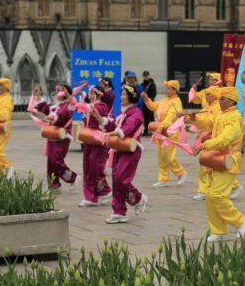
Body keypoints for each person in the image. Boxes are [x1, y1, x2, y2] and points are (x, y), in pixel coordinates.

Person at [191, 87, 245, 242]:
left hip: (228, 159)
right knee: (210, 195)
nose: (220, 101)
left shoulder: (234, 117)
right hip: (217, 158)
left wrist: (204, 145)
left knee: (217, 195)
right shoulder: (221, 115)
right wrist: (194, 119)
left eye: (222, 99)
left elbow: (225, 139)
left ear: (231, 100)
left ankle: (240, 221)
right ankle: (219, 230)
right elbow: (208, 124)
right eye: (220, 98)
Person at [105, 85, 147, 224]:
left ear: (131, 96)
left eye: (123, 94)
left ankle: (139, 198)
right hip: (119, 148)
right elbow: (112, 126)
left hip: (131, 149)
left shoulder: (136, 113)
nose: (121, 97)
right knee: (116, 179)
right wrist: (99, 118)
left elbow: (128, 128)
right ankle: (118, 212)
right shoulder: (123, 112)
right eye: (121, 94)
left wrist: (115, 132)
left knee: (121, 179)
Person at [141, 80, 187, 188]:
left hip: (171, 131)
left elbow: (170, 118)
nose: (167, 90)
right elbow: (153, 106)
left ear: (175, 90)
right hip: (161, 129)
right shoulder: (165, 100)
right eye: (167, 88)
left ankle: (180, 173)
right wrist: (146, 98)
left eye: (169, 88)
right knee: (161, 156)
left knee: (168, 156)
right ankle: (163, 178)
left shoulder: (177, 102)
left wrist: (160, 127)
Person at [78, 86, 113, 207]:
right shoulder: (90, 107)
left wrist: (95, 113)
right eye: (90, 93)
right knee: (87, 167)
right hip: (89, 140)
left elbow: (102, 120)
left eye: (92, 93)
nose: (90, 95)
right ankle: (92, 196)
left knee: (95, 167)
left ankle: (103, 191)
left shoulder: (101, 106)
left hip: (98, 140)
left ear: (98, 95)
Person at [40, 85, 79, 192]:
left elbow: (71, 105)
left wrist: (67, 94)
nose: (58, 92)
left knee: (57, 160)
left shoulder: (69, 104)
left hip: (63, 134)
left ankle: (72, 178)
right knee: (50, 161)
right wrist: (38, 98)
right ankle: (54, 185)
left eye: (61, 90)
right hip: (53, 134)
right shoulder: (55, 105)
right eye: (57, 90)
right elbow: (45, 110)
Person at [188, 86, 222, 201]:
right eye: (205, 94)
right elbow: (201, 121)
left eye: (208, 94)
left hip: (213, 140)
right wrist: (188, 118)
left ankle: (205, 191)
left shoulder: (218, 107)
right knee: (206, 165)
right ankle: (233, 185)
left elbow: (209, 124)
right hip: (206, 139)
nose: (205, 96)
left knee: (209, 166)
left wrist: (196, 119)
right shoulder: (208, 106)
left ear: (215, 95)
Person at [141, 71, 157, 136]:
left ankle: (152, 131)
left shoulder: (152, 84)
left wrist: (147, 98)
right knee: (145, 117)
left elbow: (154, 94)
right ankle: (145, 130)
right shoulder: (142, 85)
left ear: (149, 76)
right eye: (144, 76)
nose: (146, 77)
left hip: (150, 103)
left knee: (151, 117)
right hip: (144, 103)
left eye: (147, 75)